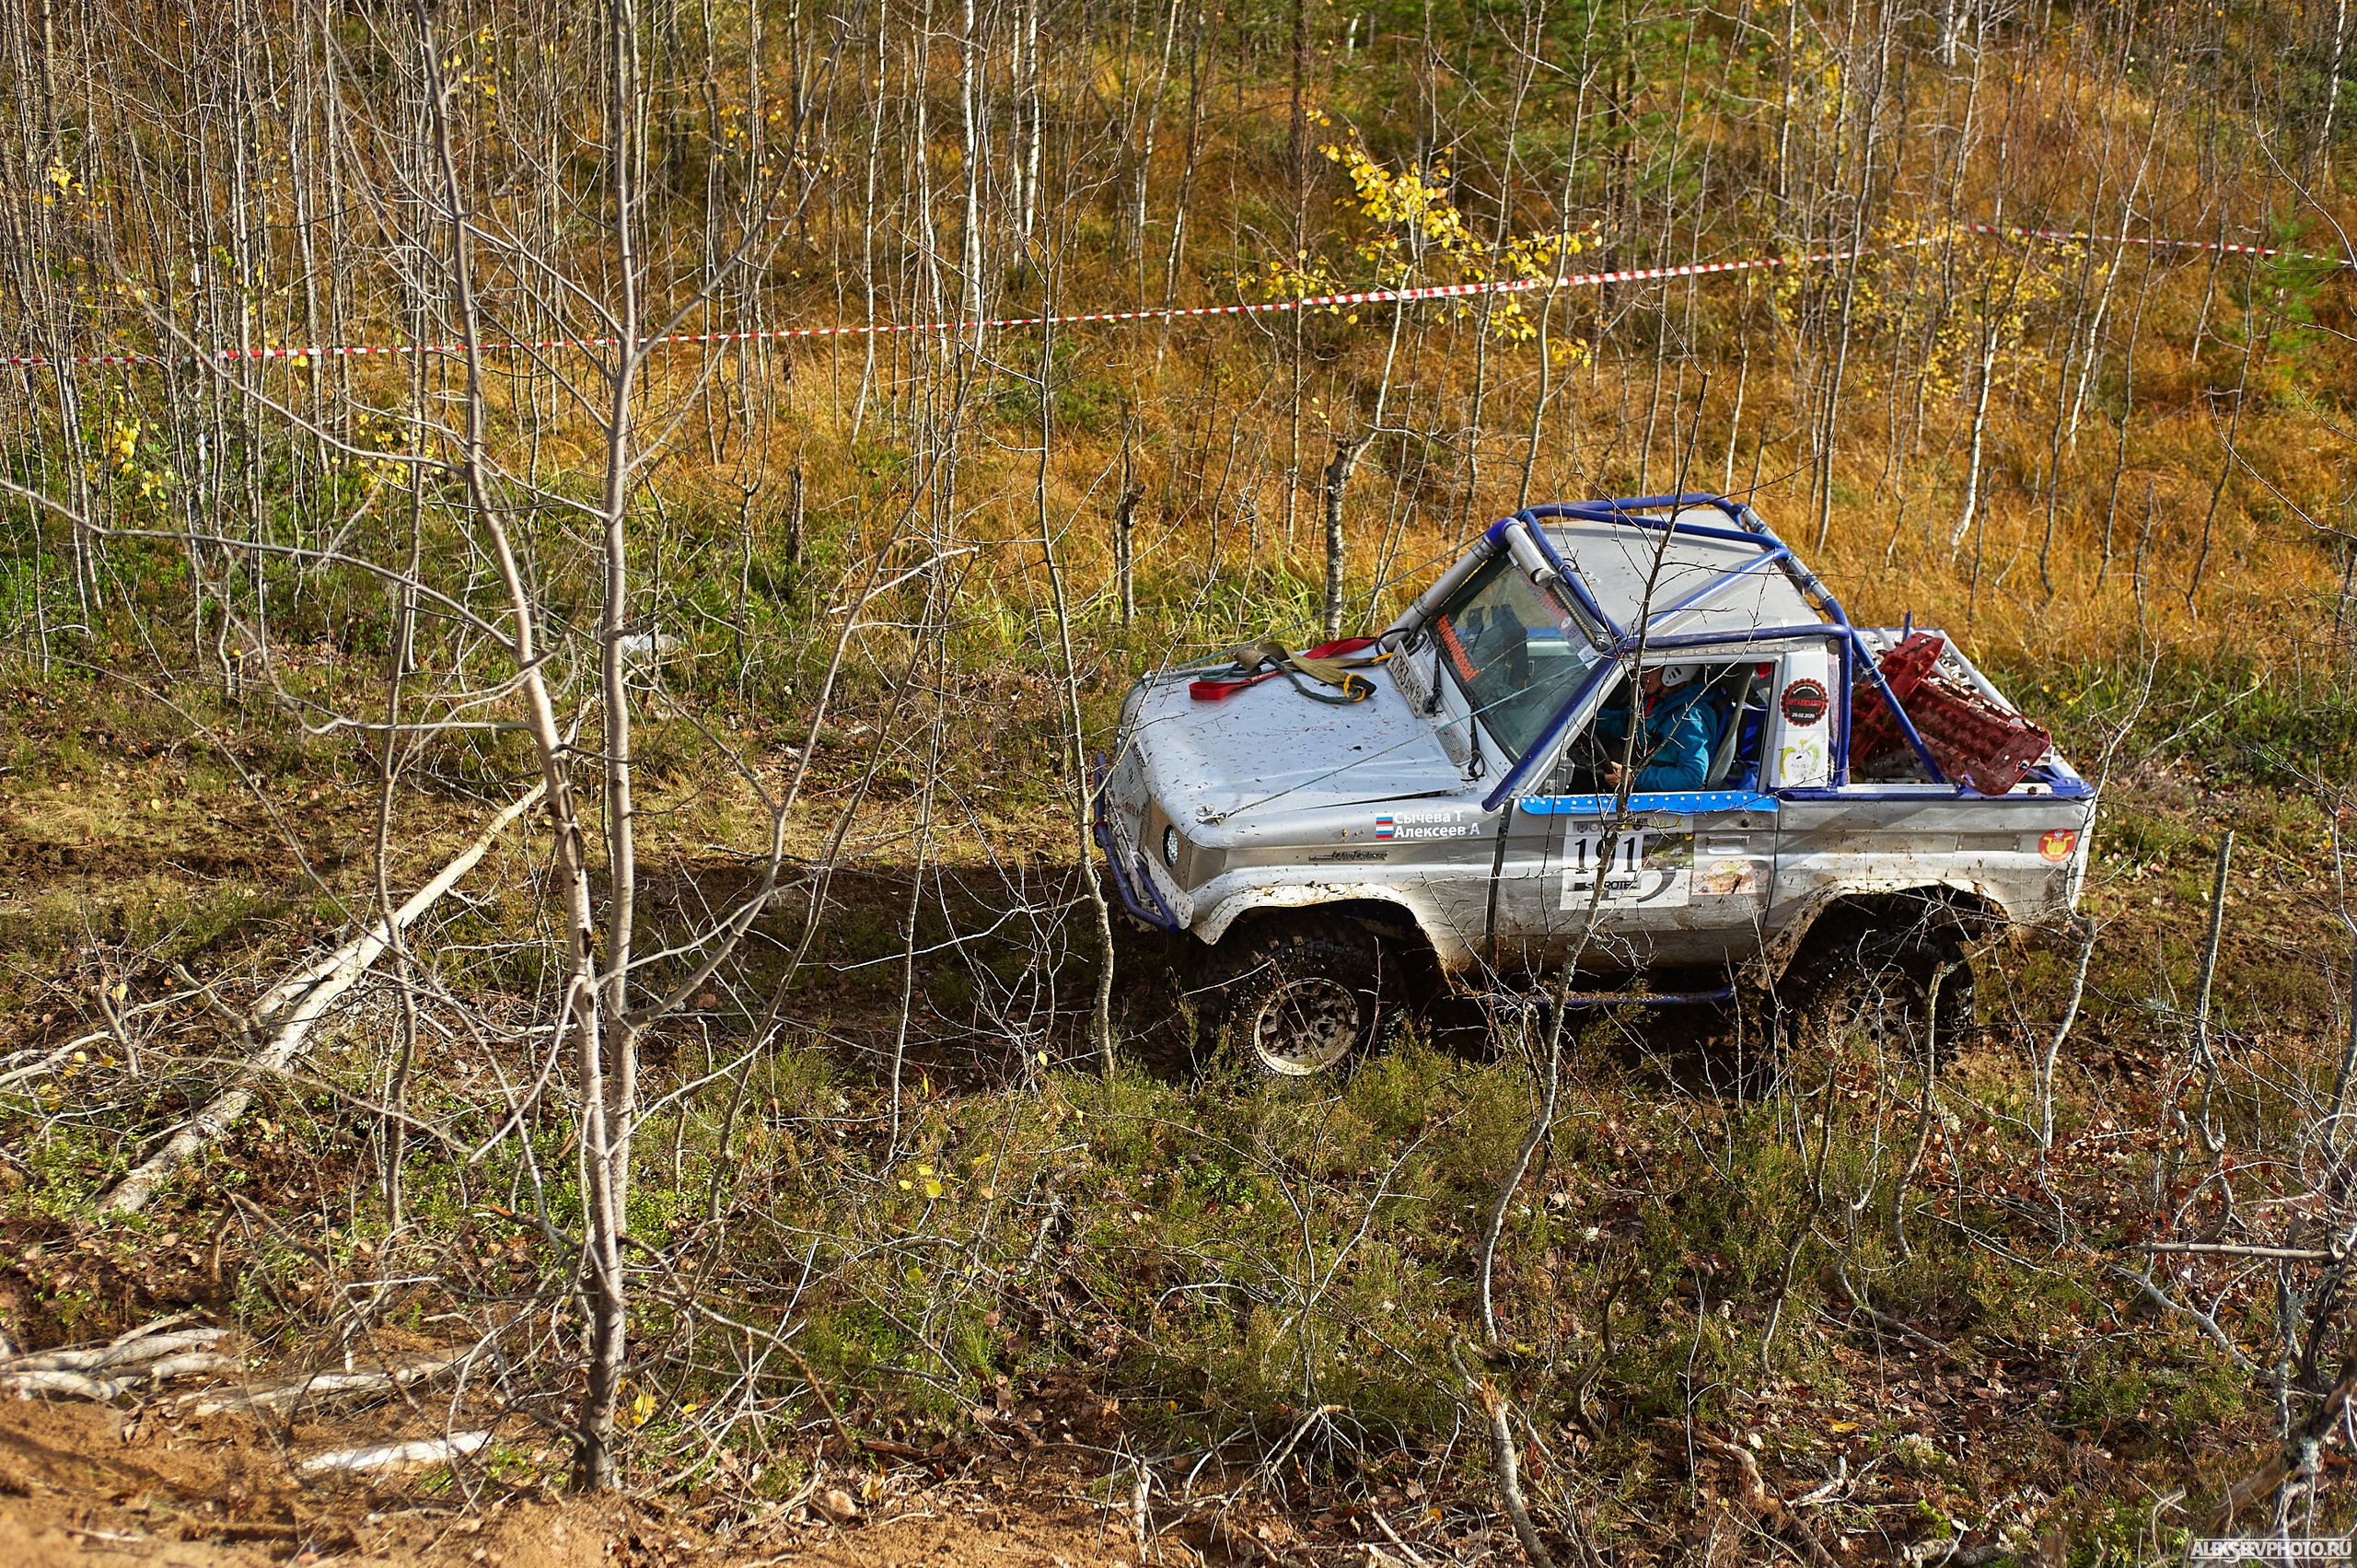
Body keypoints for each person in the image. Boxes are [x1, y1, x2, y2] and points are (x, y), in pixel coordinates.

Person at [1594, 662, 1715, 794]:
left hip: (1653, 800)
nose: (1643, 673)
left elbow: (1693, 777)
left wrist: (1634, 777)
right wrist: (1591, 716)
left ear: (1675, 672)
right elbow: (1625, 723)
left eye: (1651, 668)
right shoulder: (1660, 702)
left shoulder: (1689, 719)